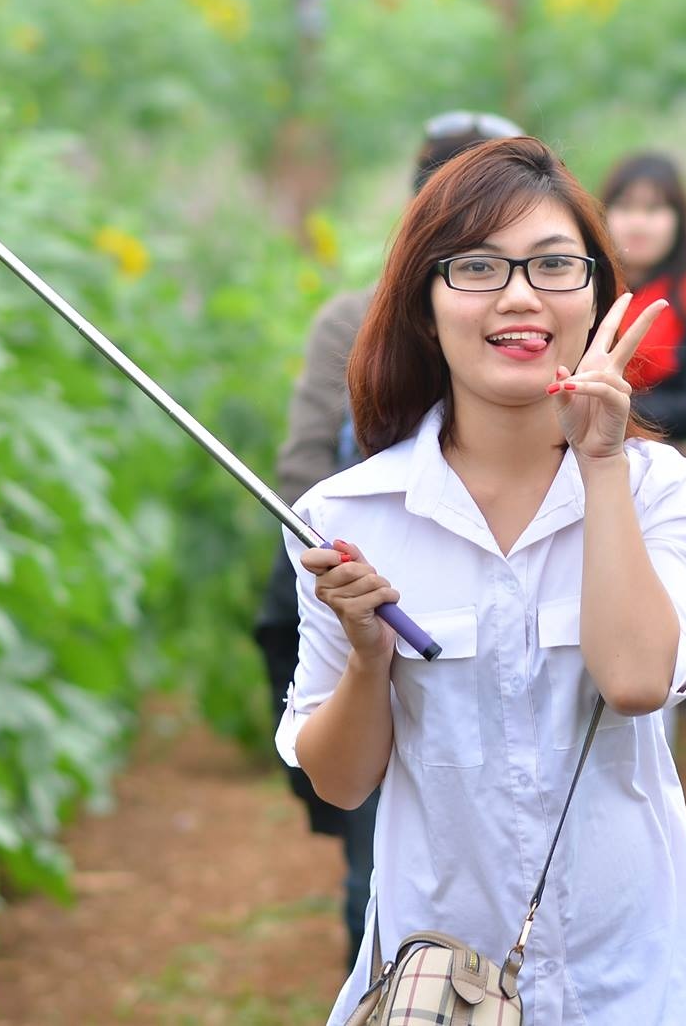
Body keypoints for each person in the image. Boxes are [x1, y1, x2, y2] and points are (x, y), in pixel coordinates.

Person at [280, 137, 686, 1024]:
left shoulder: (659, 491)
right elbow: (341, 782)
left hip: (640, 982)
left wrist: (600, 462)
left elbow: (637, 681)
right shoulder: (349, 516)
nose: (521, 295)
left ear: (596, 297)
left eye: (554, 265)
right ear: (425, 307)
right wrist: (368, 658)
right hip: (439, 990)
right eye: (478, 267)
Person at [256, 111, 524, 966]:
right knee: (378, 857)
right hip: (376, 615)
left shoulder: (542, 330)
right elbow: (304, 474)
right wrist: (351, 560)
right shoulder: (352, 325)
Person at [599, 152, 686, 455]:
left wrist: (604, 405)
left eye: (653, 208)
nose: (638, 222)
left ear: (678, 220)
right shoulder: (585, 297)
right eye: (625, 206)